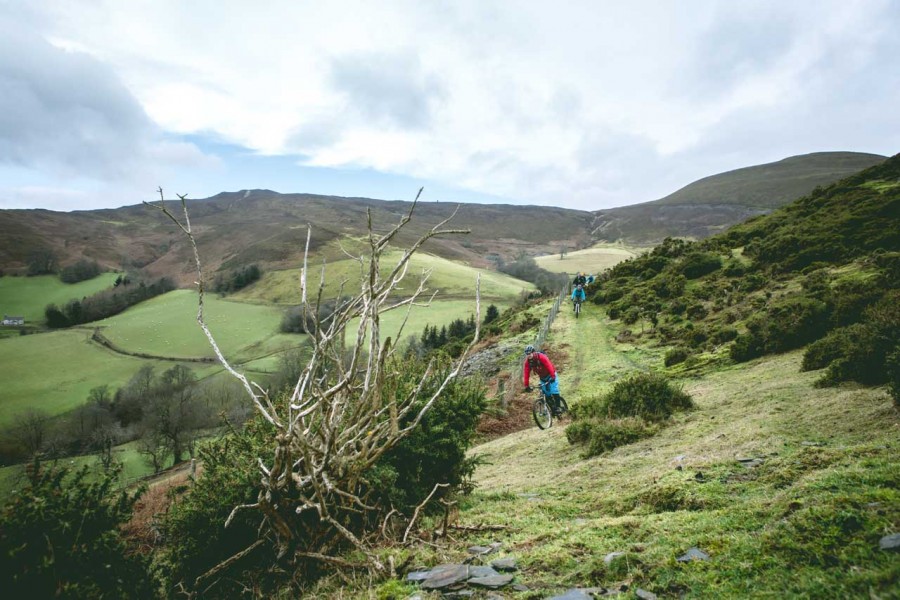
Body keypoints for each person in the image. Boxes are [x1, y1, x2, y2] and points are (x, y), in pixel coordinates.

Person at [523, 344, 566, 416]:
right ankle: (553, 410)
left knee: (554, 390)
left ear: (533, 352)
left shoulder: (541, 357)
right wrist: (526, 385)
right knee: (546, 394)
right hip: (543, 378)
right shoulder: (528, 363)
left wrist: (553, 376)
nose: (528, 355)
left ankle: (558, 407)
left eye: (529, 353)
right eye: (527, 354)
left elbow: (549, 365)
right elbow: (526, 374)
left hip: (551, 375)